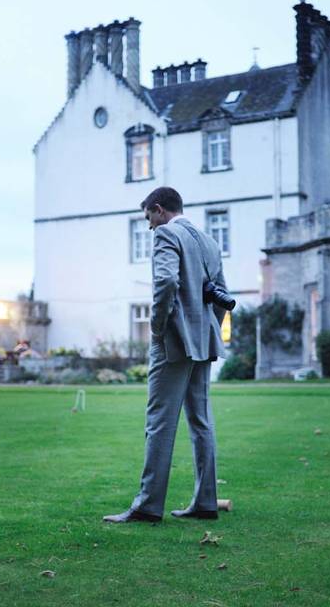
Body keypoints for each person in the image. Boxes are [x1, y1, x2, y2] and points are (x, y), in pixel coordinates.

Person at [104, 187, 228, 523]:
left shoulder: (166, 235)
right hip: (203, 343)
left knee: (159, 423)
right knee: (201, 422)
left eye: (148, 218)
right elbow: (221, 297)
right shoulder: (209, 241)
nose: (149, 227)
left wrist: (158, 329)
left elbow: (165, 283)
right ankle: (205, 502)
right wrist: (206, 331)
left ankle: (147, 506)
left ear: (159, 210)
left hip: (172, 344)